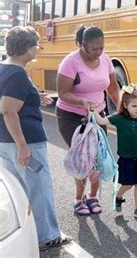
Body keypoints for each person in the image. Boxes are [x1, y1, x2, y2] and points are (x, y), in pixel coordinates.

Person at [0, 26, 72, 251]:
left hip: (5, 140)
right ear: (26, 48)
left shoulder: (4, 68)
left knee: (19, 189)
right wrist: (23, 146)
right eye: (36, 45)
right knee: (39, 189)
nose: (38, 49)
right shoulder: (18, 74)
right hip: (25, 140)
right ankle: (47, 236)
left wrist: (34, 97)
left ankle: (29, 232)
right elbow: (8, 109)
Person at [56, 26, 120, 216]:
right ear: (83, 45)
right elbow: (62, 93)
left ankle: (93, 196)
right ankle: (78, 198)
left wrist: (122, 108)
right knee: (83, 157)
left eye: (102, 47)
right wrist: (82, 101)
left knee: (98, 156)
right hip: (71, 116)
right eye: (95, 49)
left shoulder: (105, 59)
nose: (99, 52)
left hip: (97, 115)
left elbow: (113, 89)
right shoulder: (70, 62)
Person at [91, 85, 137, 220]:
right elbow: (101, 121)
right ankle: (118, 196)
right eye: (134, 106)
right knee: (128, 184)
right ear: (125, 105)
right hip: (126, 158)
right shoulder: (119, 118)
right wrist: (93, 111)